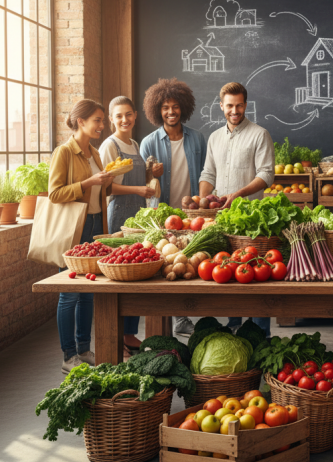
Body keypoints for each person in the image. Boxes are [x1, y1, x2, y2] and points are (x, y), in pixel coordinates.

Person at [199, 82, 274, 335]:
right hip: (224, 219)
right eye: (229, 105)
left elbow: (267, 174)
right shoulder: (214, 138)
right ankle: (234, 327)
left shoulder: (259, 134)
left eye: (239, 105)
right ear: (221, 106)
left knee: (257, 273)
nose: (234, 110)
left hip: (254, 221)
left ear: (245, 105)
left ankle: (260, 332)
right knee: (231, 273)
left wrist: (239, 194)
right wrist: (203, 203)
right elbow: (208, 173)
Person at [48, 99, 114, 373]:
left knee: (89, 292)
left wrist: (107, 181)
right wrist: (88, 183)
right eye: (97, 120)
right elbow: (54, 194)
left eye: (102, 120)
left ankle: (84, 349)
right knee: (70, 292)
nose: (102, 125)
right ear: (81, 121)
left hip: (97, 224)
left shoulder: (95, 153)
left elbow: (100, 192)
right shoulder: (64, 152)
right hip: (75, 227)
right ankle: (68, 355)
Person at [141, 78, 207, 337]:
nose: (171, 112)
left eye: (175, 106)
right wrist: (149, 172)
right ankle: (177, 319)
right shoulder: (149, 143)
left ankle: (186, 313)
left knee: (188, 263)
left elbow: (206, 173)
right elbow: (143, 184)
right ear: (158, 109)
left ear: (184, 108)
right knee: (168, 264)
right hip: (164, 212)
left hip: (192, 213)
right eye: (166, 107)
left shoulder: (198, 139)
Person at [99, 96, 154, 355]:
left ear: (135, 116)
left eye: (128, 114)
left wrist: (152, 174)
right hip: (120, 214)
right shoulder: (109, 146)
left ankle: (130, 334)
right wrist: (138, 188)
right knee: (119, 280)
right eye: (118, 116)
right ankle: (116, 338)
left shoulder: (133, 143)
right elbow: (106, 187)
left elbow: (140, 178)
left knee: (135, 276)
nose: (124, 120)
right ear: (111, 119)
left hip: (138, 215)